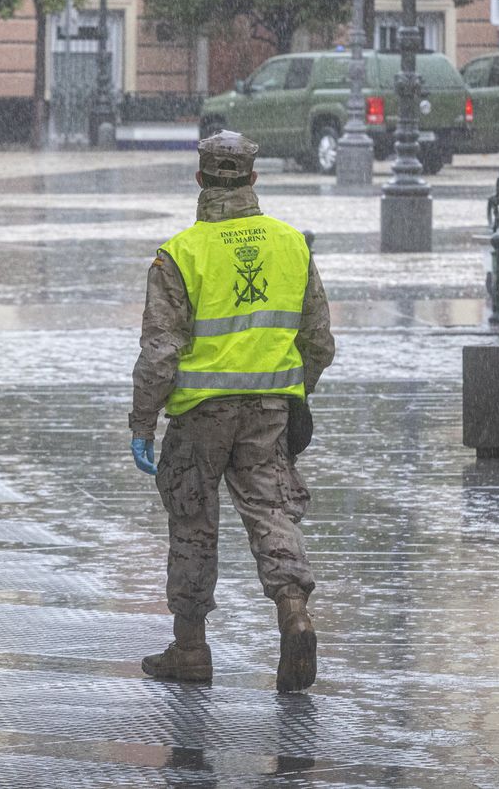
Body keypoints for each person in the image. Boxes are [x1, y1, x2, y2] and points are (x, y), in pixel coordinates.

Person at [129, 130, 336, 693]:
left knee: (193, 520)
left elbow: (160, 353)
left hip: (199, 418)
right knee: (272, 510)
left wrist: (142, 423)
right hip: (268, 412)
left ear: (200, 180)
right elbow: (319, 343)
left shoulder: (181, 253)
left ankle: (191, 648)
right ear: (253, 178)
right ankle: (294, 613)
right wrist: (295, 391)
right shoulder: (292, 244)